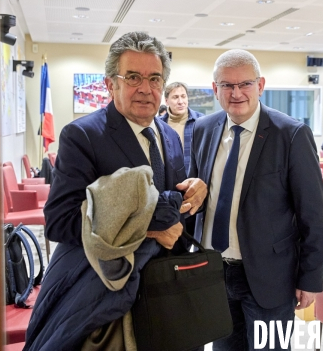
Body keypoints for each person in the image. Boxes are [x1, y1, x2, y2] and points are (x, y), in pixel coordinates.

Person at [29, 32, 208, 349]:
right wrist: (150, 231)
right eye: (133, 77)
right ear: (110, 84)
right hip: (104, 296)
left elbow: (171, 207)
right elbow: (60, 221)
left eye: (154, 78)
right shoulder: (82, 136)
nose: (145, 88)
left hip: (166, 292)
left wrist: (195, 194)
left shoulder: (168, 135)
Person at [189, 49, 323, 350]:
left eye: (245, 84)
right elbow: (194, 198)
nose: (236, 93)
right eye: (227, 85)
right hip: (215, 275)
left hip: (270, 278)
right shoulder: (202, 130)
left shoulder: (290, 134)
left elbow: (312, 215)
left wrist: (309, 278)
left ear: (260, 85)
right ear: (215, 89)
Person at [159, 81, 205, 174]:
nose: (180, 102)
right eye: (175, 97)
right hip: (168, 179)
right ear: (166, 101)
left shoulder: (201, 121)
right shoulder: (159, 124)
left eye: (183, 96)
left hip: (195, 178)